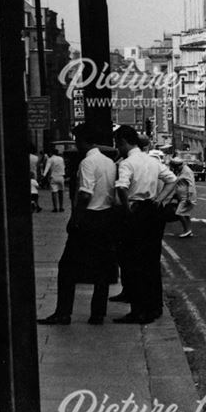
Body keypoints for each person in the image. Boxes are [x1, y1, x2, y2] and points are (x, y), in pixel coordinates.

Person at [38, 123, 118, 325]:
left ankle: (63, 313)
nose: (75, 144)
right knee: (102, 268)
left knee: (67, 267)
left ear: (84, 141)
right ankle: (97, 313)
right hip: (106, 218)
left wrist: (75, 219)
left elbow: (85, 193)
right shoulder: (109, 162)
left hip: (89, 218)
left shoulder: (87, 163)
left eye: (77, 140)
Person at [112, 125, 176, 324]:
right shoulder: (151, 160)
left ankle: (138, 311)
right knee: (151, 262)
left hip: (136, 211)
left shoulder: (127, 163)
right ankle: (154, 307)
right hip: (153, 212)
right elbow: (172, 180)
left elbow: (122, 187)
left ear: (124, 141)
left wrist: (126, 208)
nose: (117, 147)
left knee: (134, 263)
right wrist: (160, 199)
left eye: (117, 143)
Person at [167, 156, 195, 238]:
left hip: (186, 197)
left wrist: (189, 196)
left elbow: (191, 185)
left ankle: (187, 230)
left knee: (179, 213)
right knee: (186, 214)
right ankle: (188, 230)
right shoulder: (180, 171)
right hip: (181, 196)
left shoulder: (187, 171)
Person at [43, 145, 67, 213]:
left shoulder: (50, 159)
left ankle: (55, 208)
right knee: (61, 192)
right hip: (61, 176)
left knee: (54, 192)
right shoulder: (61, 159)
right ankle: (61, 207)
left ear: (51, 153)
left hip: (53, 177)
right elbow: (64, 166)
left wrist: (44, 175)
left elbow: (47, 168)